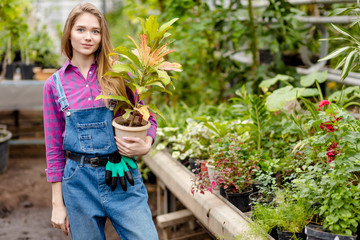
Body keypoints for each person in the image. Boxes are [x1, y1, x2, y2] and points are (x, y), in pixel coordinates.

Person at [43, 3, 159, 240]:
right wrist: (58, 204)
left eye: (95, 31)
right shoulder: (54, 85)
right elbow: (54, 148)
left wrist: (147, 143)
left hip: (121, 174)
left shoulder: (119, 76)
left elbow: (148, 117)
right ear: (69, 33)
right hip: (78, 183)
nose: (88, 37)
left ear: (102, 36)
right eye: (81, 30)